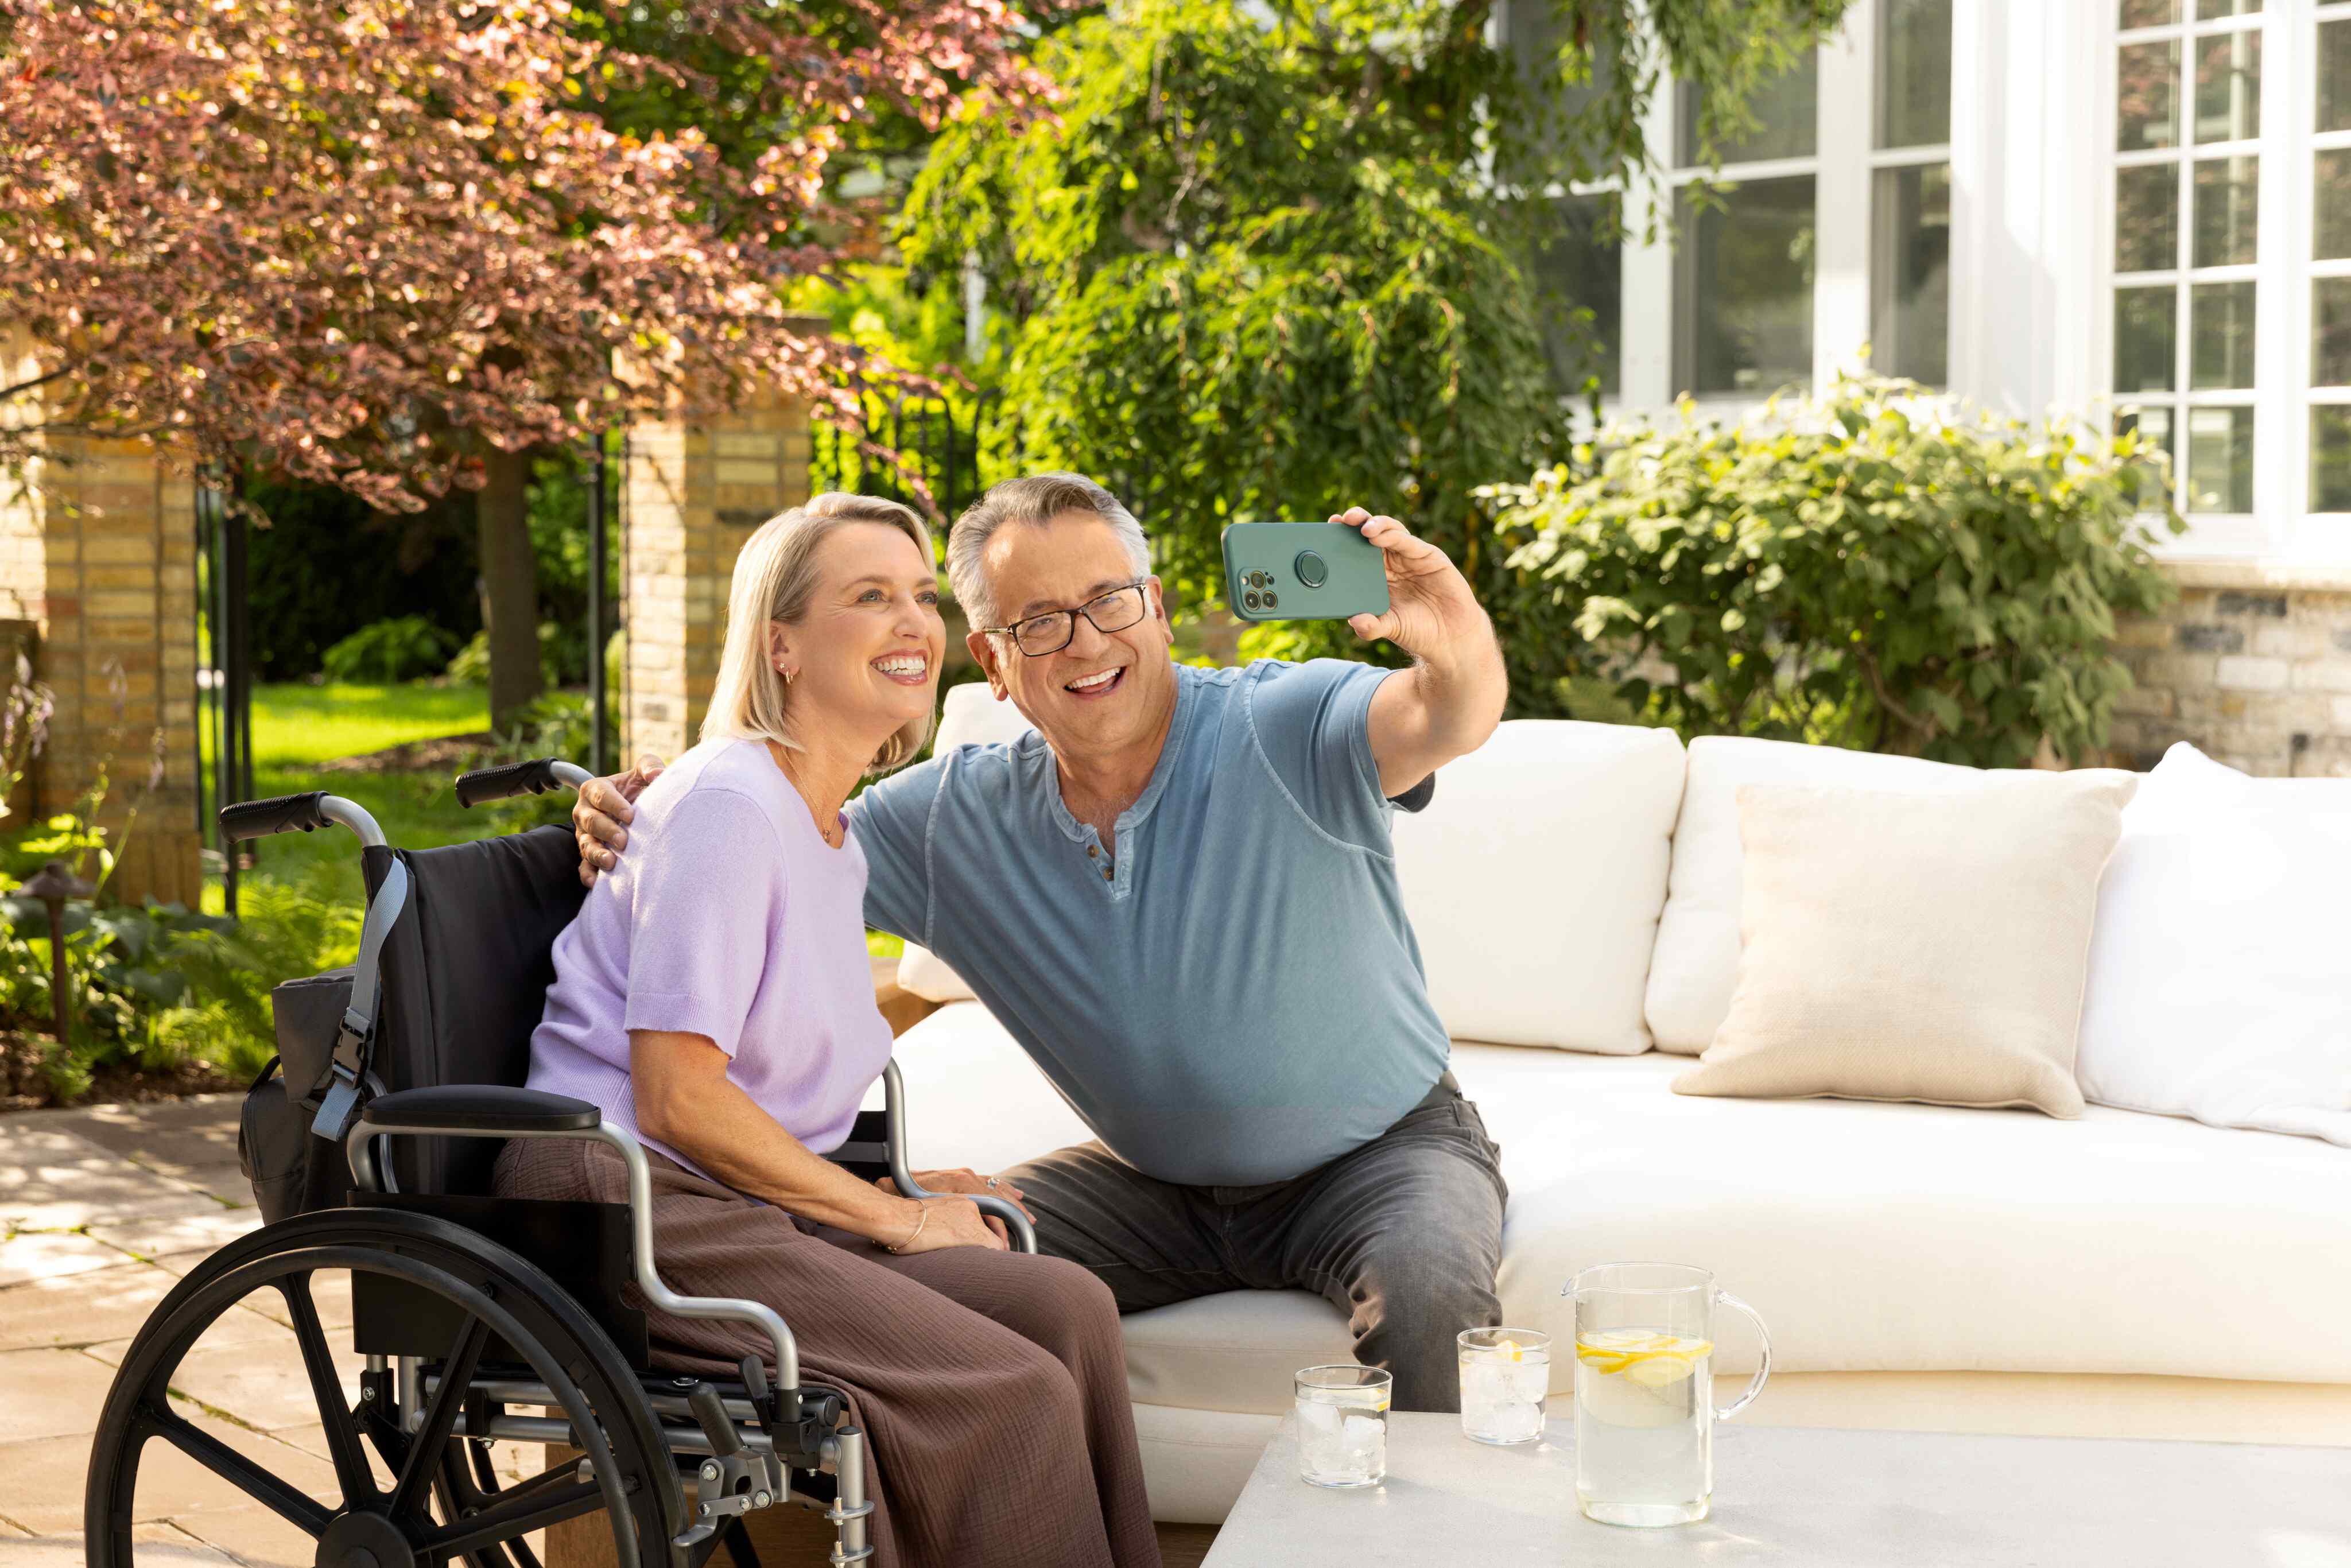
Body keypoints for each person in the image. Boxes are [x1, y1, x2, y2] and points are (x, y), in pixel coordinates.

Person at [576, 472, 1510, 1413]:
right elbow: (772, 834)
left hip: (1382, 1156)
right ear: (991, 658)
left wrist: (1451, 631)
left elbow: (1450, 714)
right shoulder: (942, 822)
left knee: (1431, 1296)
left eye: (1109, 601)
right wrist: (638, 811)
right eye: (1041, 622)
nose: (1087, 641)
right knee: (896, 1267)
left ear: (1159, 609)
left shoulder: (1286, 723)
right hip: (1155, 1192)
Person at [501, 491, 1158, 1568]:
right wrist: (893, 1224)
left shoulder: (829, 826)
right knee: (1008, 1389)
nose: (913, 623)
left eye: (919, 596)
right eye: (868, 597)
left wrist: (898, 1185)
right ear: (784, 646)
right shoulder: (728, 804)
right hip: (631, 1200)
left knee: (1063, 1305)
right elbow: (679, 1095)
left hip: (737, 1193)